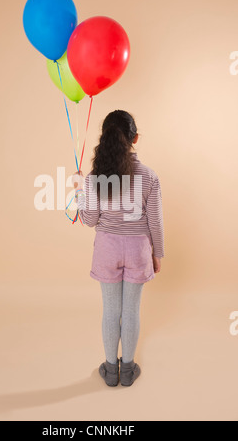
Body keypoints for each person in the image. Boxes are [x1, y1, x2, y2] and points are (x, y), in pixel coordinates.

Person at [72, 110, 164, 387]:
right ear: (134, 138)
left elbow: (89, 220)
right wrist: (157, 254)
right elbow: (155, 221)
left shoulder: (94, 178)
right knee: (132, 310)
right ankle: (129, 370)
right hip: (138, 250)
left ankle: (110, 370)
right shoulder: (149, 177)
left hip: (107, 250)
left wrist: (79, 191)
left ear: (105, 138)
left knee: (111, 310)